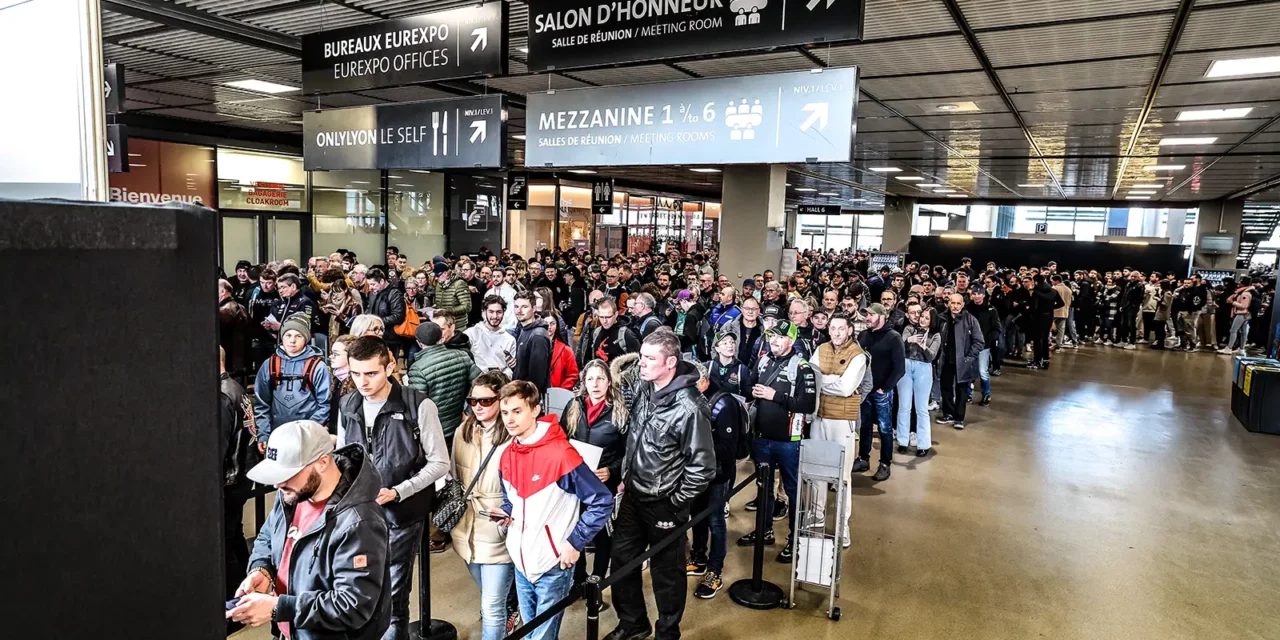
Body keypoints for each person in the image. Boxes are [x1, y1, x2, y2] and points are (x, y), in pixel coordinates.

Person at [229, 420, 391, 640]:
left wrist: (278, 608)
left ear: (323, 462)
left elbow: (353, 605)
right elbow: (268, 536)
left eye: (288, 473)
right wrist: (262, 570)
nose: (278, 484)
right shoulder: (292, 493)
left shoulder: (360, 522)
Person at [338, 337, 450, 640]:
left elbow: (440, 463)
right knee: (358, 593)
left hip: (401, 516)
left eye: (371, 373)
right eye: (356, 373)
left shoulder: (418, 405)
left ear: (389, 367)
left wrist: (399, 491)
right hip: (358, 518)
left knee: (393, 599)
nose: (362, 382)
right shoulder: (348, 404)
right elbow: (341, 457)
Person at [605, 329, 715, 640]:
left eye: (649, 359)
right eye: (641, 357)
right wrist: (627, 476)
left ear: (670, 362)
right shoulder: (645, 386)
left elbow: (703, 467)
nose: (641, 364)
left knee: (666, 573)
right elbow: (635, 437)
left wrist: (675, 501)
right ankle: (633, 623)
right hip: (633, 495)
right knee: (622, 562)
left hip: (665, 502)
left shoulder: (690, 407)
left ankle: (667, 631)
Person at [496, 382, 614, 640]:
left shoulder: (561, 454)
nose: (510, 419)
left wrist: (575, 542)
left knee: (541, 637)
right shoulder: (506, 454)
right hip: (520, 561)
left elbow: (602, 500)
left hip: (552, 564)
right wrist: (505, 512)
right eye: (505, 413)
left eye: (517, 411)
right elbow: (510, 498)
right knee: (530, 634)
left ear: (536, 409)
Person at [737, 318, 817, 561]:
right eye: (772, 336)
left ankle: (795, 540)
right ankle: (764, 530)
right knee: (764, 489)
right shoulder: (763, 361)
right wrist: (754, 390)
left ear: (791, 340)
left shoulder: (802, 368)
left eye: (780, 337)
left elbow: (808, 404)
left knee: (792, 491)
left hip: (789, 441)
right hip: (762, 439)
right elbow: (749, 385)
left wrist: (775, 395)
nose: (774, 340)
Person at [451, 372, 516, 640]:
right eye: (473, 400)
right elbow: (455, 478)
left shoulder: (512, 437)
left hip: (497, 528)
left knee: (490, 607)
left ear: (500, 400)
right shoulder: (461, 433)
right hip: (466, 530)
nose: (478, 406)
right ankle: (512, 606)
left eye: (486, 401)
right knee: (489, 597)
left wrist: (508, 518)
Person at [562, 359, 629, 586]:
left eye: (600, 378)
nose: (595, 384)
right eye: (590, 378)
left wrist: (612, 471)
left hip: (602, 483)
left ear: (609, 382)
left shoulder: (619, 412)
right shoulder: (574, 407)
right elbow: (561, 441)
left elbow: (628, 452)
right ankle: (578, 577)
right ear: (584, 382)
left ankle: (598, 578)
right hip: (577, 480)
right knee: (575, 527)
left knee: (601, 531)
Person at [687, 360, 747, 598]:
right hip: (696, 472)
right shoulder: (692, 399)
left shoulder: (724, 403)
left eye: (690, 383)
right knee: (697, 516)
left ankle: (715, 571)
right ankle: (699, 557)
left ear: (703, 381)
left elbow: (728, 448)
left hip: (719, 473)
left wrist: (696, 447)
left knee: (715, 521)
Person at [810, 313, 868, 547]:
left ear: (849, 331)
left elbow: (845, 388)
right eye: (832, 328)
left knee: (842, 477)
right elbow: (811, 378)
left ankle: (842, 525)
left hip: (842, 420)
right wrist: (830, 379)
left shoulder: (859, 356)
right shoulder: (821, 348)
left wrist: (823, 381)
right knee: (816, 472)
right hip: (818, 416)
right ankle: (816, 515)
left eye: (840, 329)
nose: (835, 333)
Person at [253, 313, 331, 448]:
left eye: (298, 336)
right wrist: (263, 434)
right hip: (276, 435)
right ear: (282, 336)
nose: (292, 340)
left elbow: (325, 405)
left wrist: (305, 431)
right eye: (288, 335)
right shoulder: (269, 365)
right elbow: (261, 404)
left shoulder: (318, 367)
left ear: (306, 339)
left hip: (307, 437)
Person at [219, 346, 258, 619]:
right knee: (234, 538)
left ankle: (233, 605)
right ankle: (247, 592)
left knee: (226, 543)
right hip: (243, 475)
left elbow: (218, 449)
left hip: (230, 481)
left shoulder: (221, 396)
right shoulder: (237, 388)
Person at [854, 303, 905, 482]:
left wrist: (885, 388)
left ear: (881, 316)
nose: (866, 318)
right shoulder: (863, 335)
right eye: (865, 315)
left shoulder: (893, 337)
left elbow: (900, 368)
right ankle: (863, 458)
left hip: (882, 392)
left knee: (884, 429)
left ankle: (885, 463)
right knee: (865, 426)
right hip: (865, 391)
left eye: (870, 315)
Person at [408, 322, 482, 441]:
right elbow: (482, 384)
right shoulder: (462, 356)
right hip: (460, 425)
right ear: (441, 338)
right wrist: (468, 412)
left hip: (435, 432)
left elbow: (417, 406)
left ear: (419, 343)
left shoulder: (417, 368)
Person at [936, 294, 985, 430]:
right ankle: (948, 414)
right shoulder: (942, 318)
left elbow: (979, 341)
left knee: (961, 391)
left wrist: (969, 358)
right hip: (946, 360)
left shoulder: (970, 320)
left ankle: (959, 418)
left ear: (963, 304)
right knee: (945, 388)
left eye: (958, 303)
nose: (955, 306)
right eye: (953, 303)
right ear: (948, 304)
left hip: (963, 362)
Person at [897, 304, 939, 456]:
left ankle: (923, 444)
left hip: (923, 368)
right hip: (906, 366)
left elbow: (931, 356)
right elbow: (899, 347)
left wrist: (923, 347)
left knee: (921, 409)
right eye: (922, 316)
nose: (922, 319)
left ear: (932, 321)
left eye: (927, 318)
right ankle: (902, 441)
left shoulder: (936, 336)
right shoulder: (909, 329)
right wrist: (908, 341)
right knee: (904, 406)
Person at [580, 296, 641, 367]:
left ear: (616, 314)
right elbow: (588, 356)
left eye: (608, 317)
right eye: (601, 317)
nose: (604, 321)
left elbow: (638, 361)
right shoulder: (596, 332)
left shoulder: (626, 334)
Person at [512, 291, 553, 395]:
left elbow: (537, 377)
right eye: (516, 306)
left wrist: (530, 399)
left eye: (524, 307)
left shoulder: (538, 336)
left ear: (534, 309)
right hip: (520, 392)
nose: (519, 311)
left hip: (529, 397)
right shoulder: (523, 329)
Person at [467, 295, 519, 377]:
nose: (495, 316)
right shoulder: (471, 334)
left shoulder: (510, 339)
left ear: (503, 313)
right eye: (491, 312)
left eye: (499, 312)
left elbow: (509, 368)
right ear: (484, 312)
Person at [965, 288, 1000, 406]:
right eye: (974, 293)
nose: (977, 296)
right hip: (969, 345)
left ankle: (986, 394)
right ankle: (967, 395)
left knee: (982, 371)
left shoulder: (991, 310)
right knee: (968, 371)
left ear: (984, 295)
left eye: (979, 294)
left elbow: (996, 328)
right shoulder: (967, 309)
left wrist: (989, 340)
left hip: (984, 346)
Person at [365, 268, 406, 356]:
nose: (370, 287)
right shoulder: (372, 293)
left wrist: (377, 322)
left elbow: (398, 316)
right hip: (374, 335)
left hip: (390, 338)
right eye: (369, 284)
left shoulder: (394, 293)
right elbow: (369, 310)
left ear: (382, 281)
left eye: (373, 284)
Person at [434, 262, 474, 331]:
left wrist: (447, 311)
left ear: (446, 273)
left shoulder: (459, 284)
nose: (436, 278)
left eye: (438, 275)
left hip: (458, 325)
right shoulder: (439, 285)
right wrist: (433, 309)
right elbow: (439, 304)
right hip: (443, 325)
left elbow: (467, 306)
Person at [1222, 278, 1255, 355]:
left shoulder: (1245, 294)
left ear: (1243, 284)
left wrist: (1232, 302)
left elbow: (1244, 306)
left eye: (1240, 282)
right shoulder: (1247, 292)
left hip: (1241, 313)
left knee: (1233, 330)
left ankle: (1229, 348)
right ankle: (1242, 348)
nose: (1238, 284)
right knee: (1243, 332)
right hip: (1247, 314)